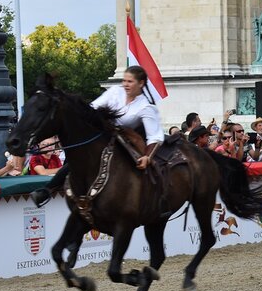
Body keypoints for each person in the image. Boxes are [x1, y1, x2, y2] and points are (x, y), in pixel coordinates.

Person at [30, 65, 164, 207]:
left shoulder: (146, 107)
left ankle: (150, 201)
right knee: (80, 157)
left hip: (125, 142)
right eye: (124, 81)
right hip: (103, 135)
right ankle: (47, 190)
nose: (125, 84)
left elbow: (155, 136)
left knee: (135, 168)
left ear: (141, 83)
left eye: (130, 81)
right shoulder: (114, 92)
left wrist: (147, 157)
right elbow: (93, 108)